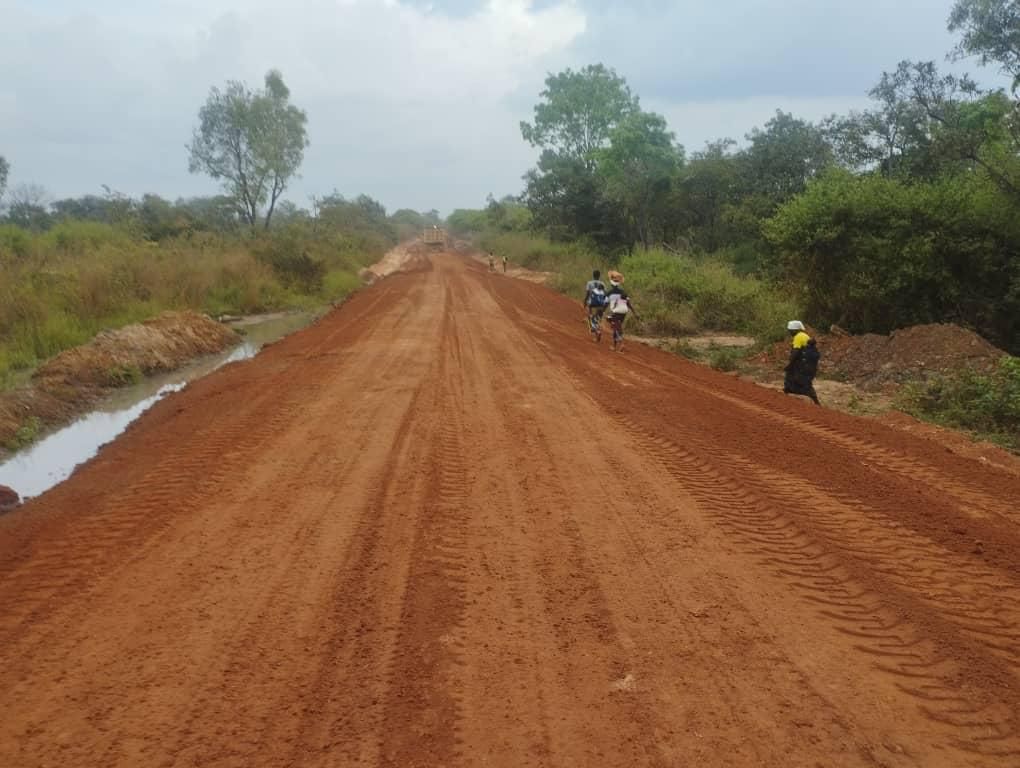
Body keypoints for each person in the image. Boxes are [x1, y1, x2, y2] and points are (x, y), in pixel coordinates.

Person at [783, 320, 821, 405]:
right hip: (809, 365)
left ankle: (817, 405)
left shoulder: (798, 337)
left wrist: (789, 365)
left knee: (802, 383)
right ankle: (786, 398)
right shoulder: (804, 335)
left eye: (790, 331)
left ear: (795, 330)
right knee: (794, 381)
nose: (789, 333)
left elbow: (795, 352)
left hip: (804, 366)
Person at [605, 270, 636, 351]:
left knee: (613, 324)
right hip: (624, 313)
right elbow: (628, 303)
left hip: (616, 312)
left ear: (611, 284)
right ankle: (614, 346)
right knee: (616, 327)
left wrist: (601, 311)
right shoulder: (623, 292)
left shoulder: (609, 293)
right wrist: (634, 313)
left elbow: (605, 304)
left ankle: (621, 343)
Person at [583, 269, 608, 341]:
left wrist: (585, 302)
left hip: (592, 303)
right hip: (600, 303)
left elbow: (588, 293)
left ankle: (596, 331)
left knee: (590, 317)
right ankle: (597, 331)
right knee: (598, 318)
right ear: (599, 276)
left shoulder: (589, 283)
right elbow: (605, 294)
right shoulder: (602, 283)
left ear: (593, 275)